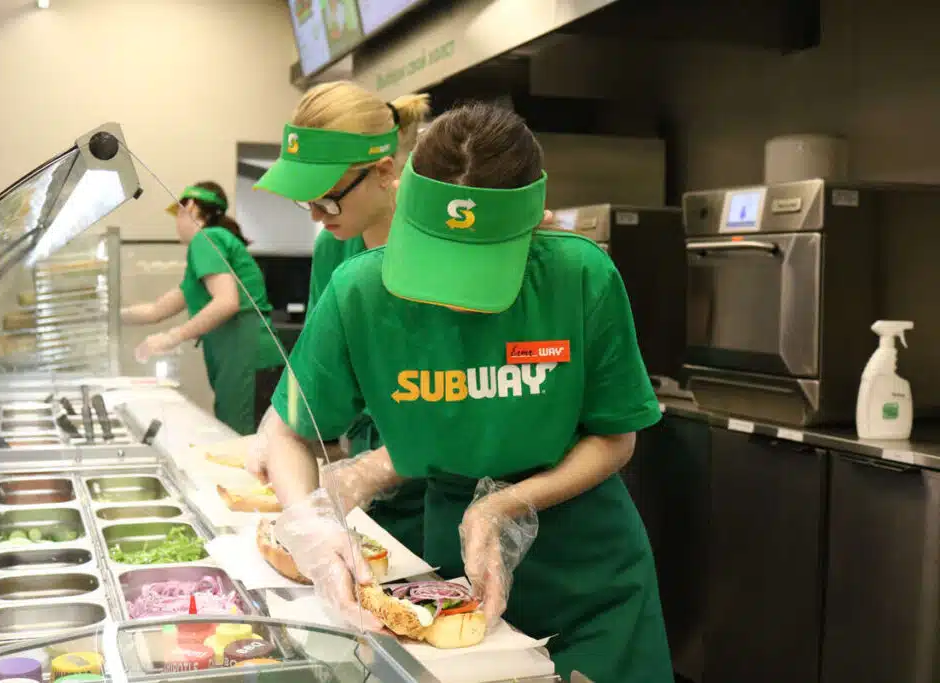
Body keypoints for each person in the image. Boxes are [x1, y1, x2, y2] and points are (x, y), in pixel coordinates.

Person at [262, 103, 675, 683]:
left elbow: (615, 437)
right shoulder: (359, 291)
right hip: (454, 570)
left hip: (591, 571)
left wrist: (504, 505)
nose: (458, 296)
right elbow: (287, 430)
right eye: (441, 260)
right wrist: (311, 526)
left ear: (536, 221)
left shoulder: (581, 276)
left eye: (484, 264)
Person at [250, 81, 431, 554]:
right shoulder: (337, 243)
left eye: (327, 199)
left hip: (457, 479)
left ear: (384, 171)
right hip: (373, 464)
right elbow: (319, 356)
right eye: (304, 201)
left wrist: (381, 465)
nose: (315, 215)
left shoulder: (442, 240)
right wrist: (283, 423)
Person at [122, 182, 284, 436]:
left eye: (178, 214)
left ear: (193, 207)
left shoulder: (207, 239)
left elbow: (226, 301)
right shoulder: (212, 247)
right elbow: (156, 310)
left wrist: (171, 337)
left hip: (246, 360)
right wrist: (106, 315)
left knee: (246, 448)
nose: (176, 223)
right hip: (246, 362)